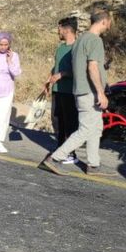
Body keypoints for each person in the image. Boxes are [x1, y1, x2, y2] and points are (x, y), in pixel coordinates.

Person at [40, 9, 115, 176]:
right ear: (103, 21)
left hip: (80, 91)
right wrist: (101, 93)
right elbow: (92, 67)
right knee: (86, 129)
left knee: (96, 128)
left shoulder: (80, 40)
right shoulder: (95, 40)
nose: (109, 26)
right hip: (89, 92)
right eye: (109, 22)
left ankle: (93, 165)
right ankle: (55, 158)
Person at [44, 17, 79, 164]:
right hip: (57, 90)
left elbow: (79, 70)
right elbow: (56, 67)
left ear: (66, 29)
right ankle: (60, 149)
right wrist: (48, 79)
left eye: (59, 29)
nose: (58, 31)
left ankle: (72, 154)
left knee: (70, 123)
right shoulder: (60, 48)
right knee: (57, 120)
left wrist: (62, 74)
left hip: (70, 91)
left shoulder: (77, 48)